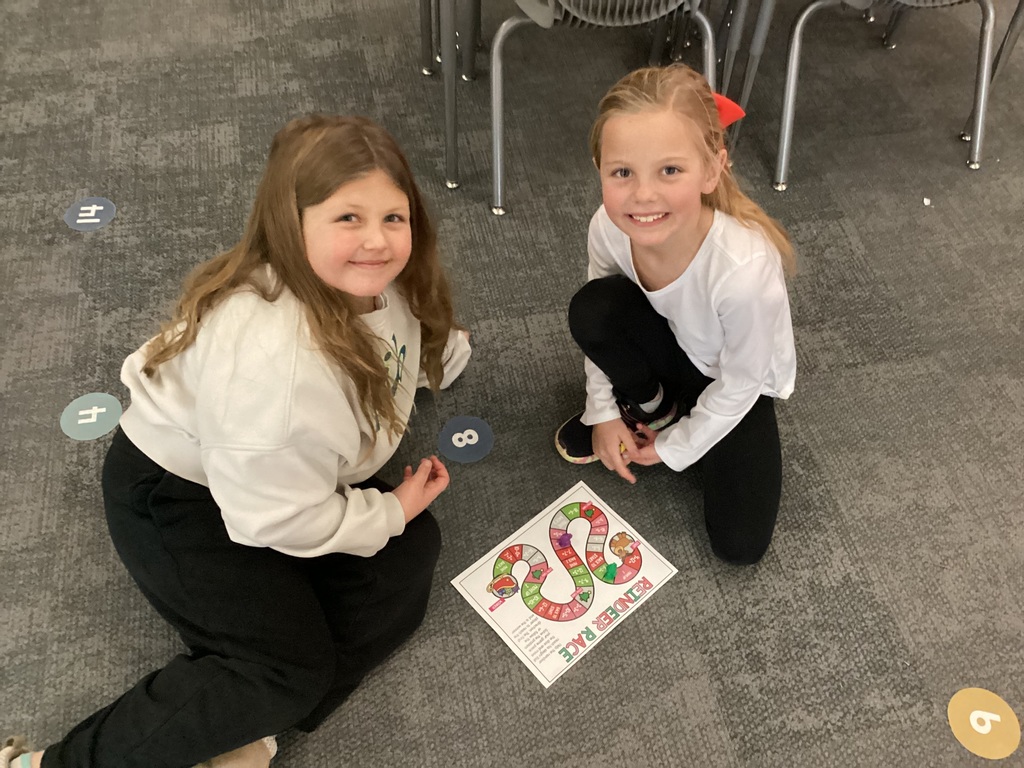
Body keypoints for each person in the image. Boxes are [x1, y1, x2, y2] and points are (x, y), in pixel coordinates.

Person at [3, 114, 471, 768]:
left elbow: (407, 335)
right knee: (290, 666)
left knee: (407, 555)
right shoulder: (279, 376)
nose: (378, 241)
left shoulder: (367, 284)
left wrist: (437, 357)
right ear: (292, 223)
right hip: (178, 501)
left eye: (395, 217)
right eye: (348, 219)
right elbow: (275, 517)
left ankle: (255, 727)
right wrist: (386, 509)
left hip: (274, 477)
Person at [555, 64, 796, 566]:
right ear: (600, 171)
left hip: (731, 384)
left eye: (670, 170)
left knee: (740, 546)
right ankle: (651, 404)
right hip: (671, 347)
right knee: (593, 307)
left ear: (712, 170)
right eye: (622, 172)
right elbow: (604, 307)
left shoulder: (745, 272)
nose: (643, 196)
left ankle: (668, 413)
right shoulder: (607, 225)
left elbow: (741, 384)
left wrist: (673, 448)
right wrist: (600, 410)